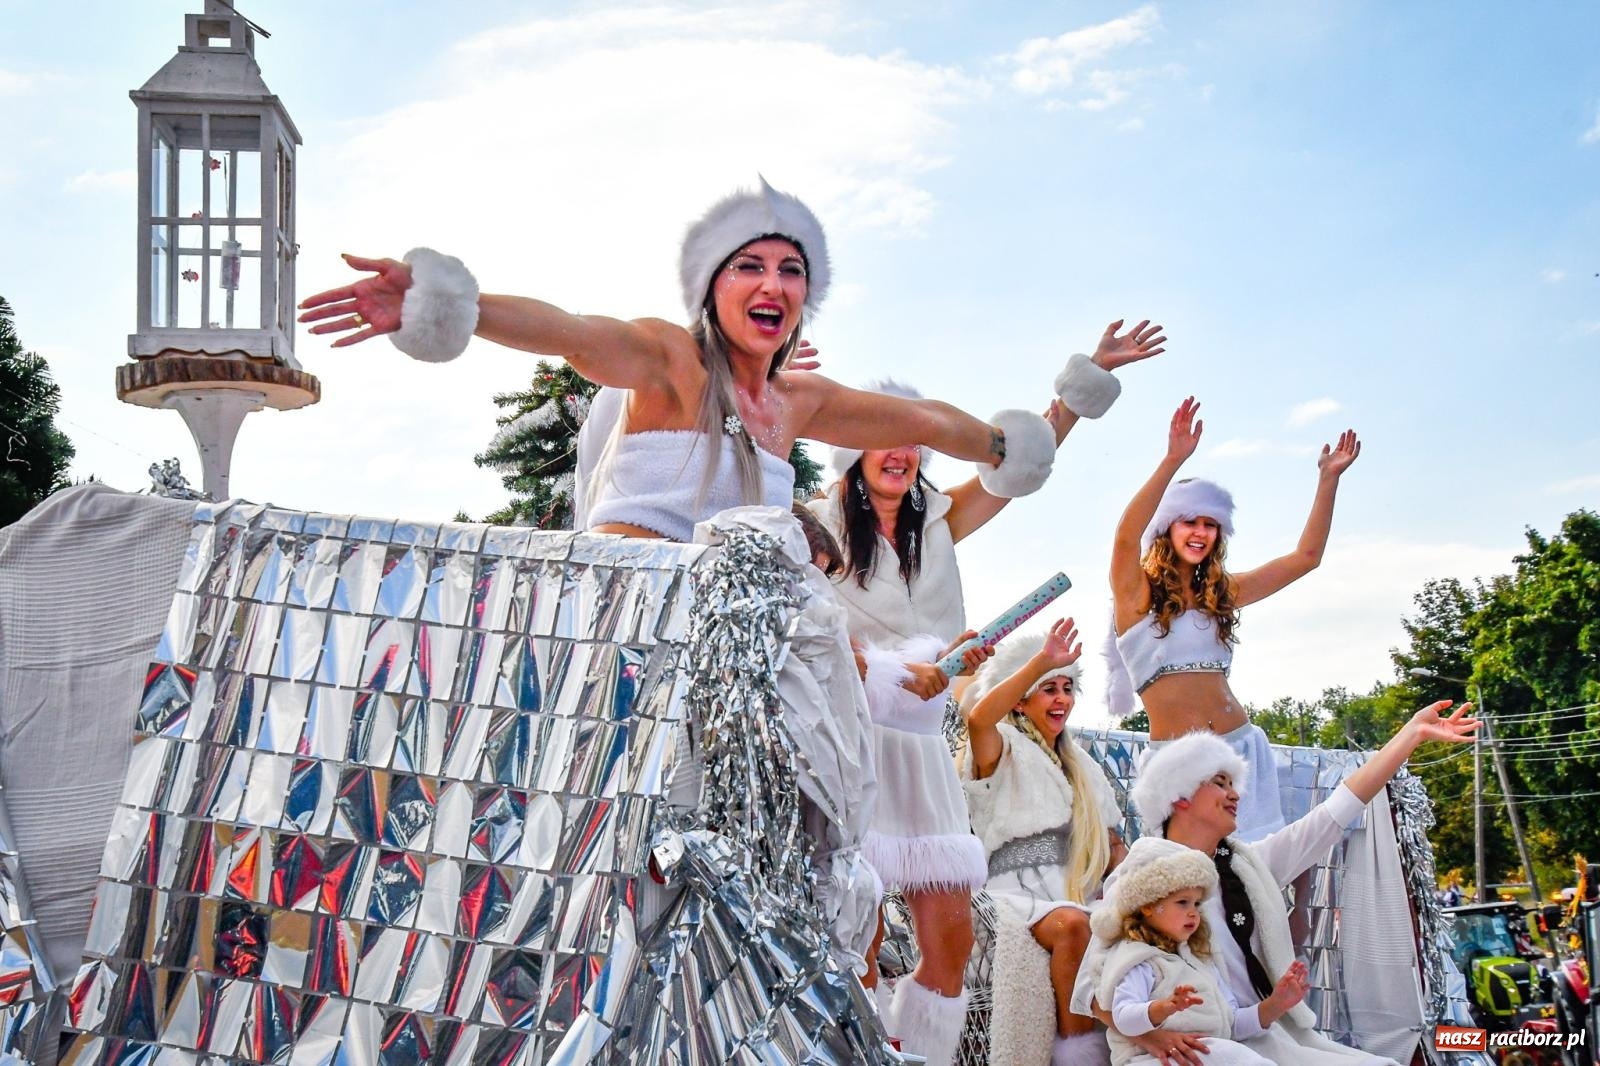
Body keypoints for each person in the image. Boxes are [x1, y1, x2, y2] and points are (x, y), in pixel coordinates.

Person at [300, 178, 1073, 544]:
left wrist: (1007, 449)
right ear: (712, 287)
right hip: (625, 632)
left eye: (791, 271)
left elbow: (926, 420)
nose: (773, 283)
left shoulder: (797, 403)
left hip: (731, 660)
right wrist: (453, 308)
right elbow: (572, 331)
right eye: (750, 266)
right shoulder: (671, 360)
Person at [805, 329, 1161, 1066]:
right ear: (855, 449)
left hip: (922, 754)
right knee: (859, 922)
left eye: (911, 439)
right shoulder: (824, 523)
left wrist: (1081, 387)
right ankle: (855, 1049)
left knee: (950, 938)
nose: (898, 451)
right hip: (855, 741)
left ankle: (915, 1053)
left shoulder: (937, 521)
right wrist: (890, 670)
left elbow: (1015, 466)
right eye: (882, 437)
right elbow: (813, 625)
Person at [1075, 703, 1479, 1065]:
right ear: (1180, 795)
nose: (1234, 794)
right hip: (1200, 1050)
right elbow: (1092, 992)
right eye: (1220, 782)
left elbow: (1333, 815)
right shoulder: (1141, 876)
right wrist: (1154, 1037)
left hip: (1264, 1035)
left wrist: (1410, 735)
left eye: (1234, 784)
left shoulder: (1249, 863)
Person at [1106, 396, 1362, 840]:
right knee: (1186, 884)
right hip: (1175, 760)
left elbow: (1306, 558)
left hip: (1241, 751)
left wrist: (1328, 480)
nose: (1201, 532)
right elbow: (1127, 537)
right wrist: (1171, 461)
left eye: (1210, 524)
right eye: (1189, 521)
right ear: (1168, 528)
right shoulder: (1137, 596)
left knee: (1257, 878)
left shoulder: (1222, 593)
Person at [960, 620, 1126, 1066]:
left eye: (1067, 687)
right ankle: (1080, 1059)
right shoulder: (1003, 746)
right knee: (1074, 926)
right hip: (1013, 895)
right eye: (1049, 688)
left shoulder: (1085, 767)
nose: (1062, 699)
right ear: (1021, 698)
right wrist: (1040, 660)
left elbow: (1114, 846)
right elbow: (977, 718)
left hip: (1077, 888)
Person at [1091, 836, 1305, 1066]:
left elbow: (1231, 1024)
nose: (1193, 912)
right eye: (1182, 902)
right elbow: (1123, 1018)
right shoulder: (1138, 959)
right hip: (1151, 1059)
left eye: (1196, 904)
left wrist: (1276, 1004)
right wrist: (1163, 1008)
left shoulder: (1200, 962)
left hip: (1203, 1054)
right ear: (1148, 906)